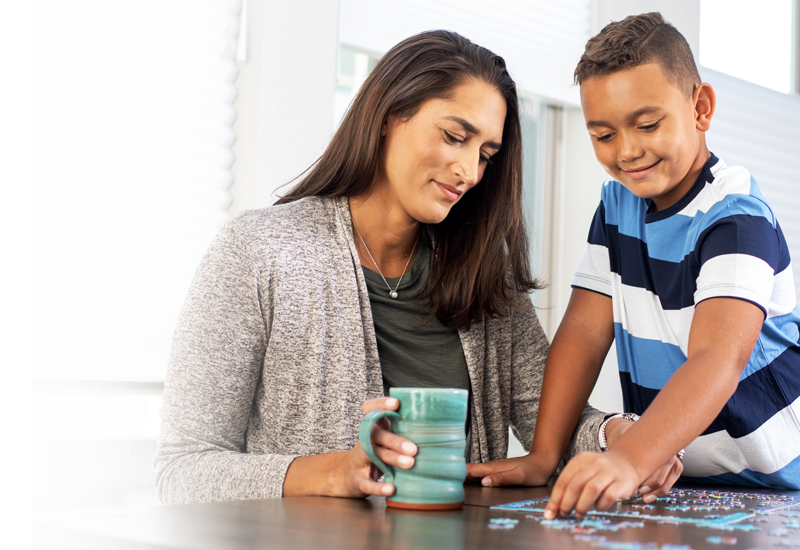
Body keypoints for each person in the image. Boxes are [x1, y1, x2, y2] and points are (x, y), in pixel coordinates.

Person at [153, 30, 621, 504]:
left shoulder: (484, 272)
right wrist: (331, 473)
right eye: (454, 136)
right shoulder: (260, 251)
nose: (469, 172)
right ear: (387, 113)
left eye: (484, 155)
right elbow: (183, 469)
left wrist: (616, 435)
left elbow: (551, 425)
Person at [469, 12, 800, 517]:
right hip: (687, 481)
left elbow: (717, 358)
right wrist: (544, 454)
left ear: (700, 107)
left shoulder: (736, 219)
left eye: (647, 125)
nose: (626, 151)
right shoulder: (618, 208)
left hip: (783, 485)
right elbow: (583, 329)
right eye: (603, 135)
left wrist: (627, 459)